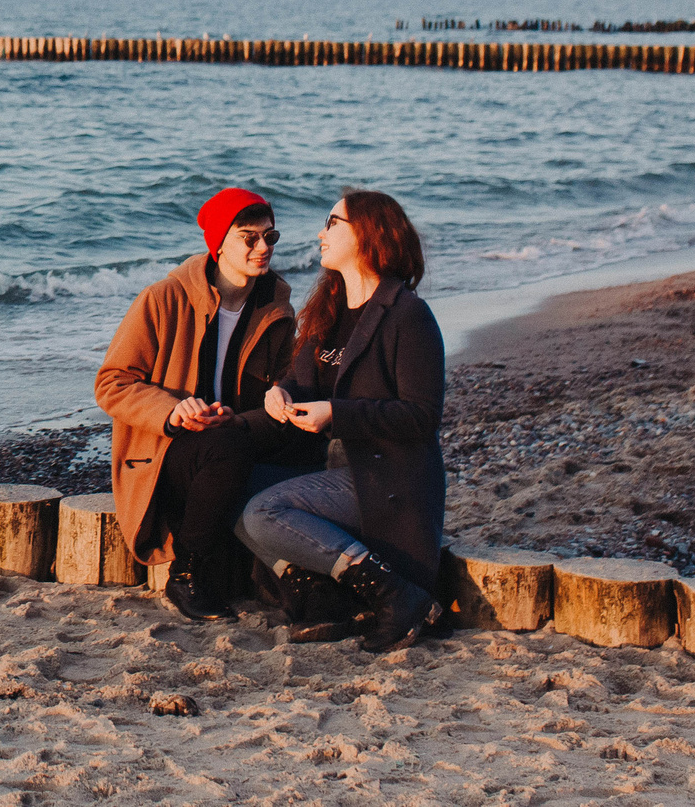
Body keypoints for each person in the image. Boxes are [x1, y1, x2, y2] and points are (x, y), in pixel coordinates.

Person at [234, 189, 446, 653]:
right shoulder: (329, 307)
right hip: (331, 468)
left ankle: (395, 594)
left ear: (369, 234)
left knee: (263, 512)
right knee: (230, 485)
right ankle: (325, 599)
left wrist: (337, 414)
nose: (320, 233)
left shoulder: (407, 314)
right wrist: (280, 393)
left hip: (387, 476)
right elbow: (301, 378)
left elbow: (422, 414)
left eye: (333, 223)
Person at [94, 187, 312, 622]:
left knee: (310, 441)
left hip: (235, 437)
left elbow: (281, 389)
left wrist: (245, 417)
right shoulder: (164, 298)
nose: (263, 248)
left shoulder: (275, 307)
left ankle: (295, 564)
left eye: (270, 237)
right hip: (167, 450)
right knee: (226, 447)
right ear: (218, 243)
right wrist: (172, 411)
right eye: (249, 237)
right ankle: (187, 573)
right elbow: (111, 383)